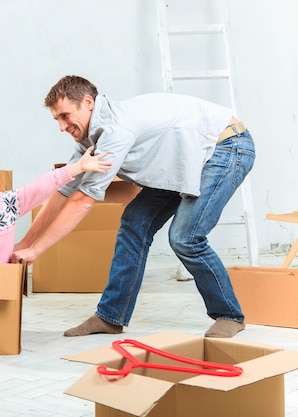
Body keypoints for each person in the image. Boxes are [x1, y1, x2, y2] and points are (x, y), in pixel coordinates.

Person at [13, 75, 256, 339]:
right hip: (186, 158)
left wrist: (37, 251)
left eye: (65, 116)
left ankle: (229, 314)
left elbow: (83, 200)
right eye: (56, 119)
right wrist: (25, 243)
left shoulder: (115, 130)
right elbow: (63, 192)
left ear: (87, 102)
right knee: (134, 223)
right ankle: (110, 317)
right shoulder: (89, 137)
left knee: (185, 238)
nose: (61, 126)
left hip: (225, 147)